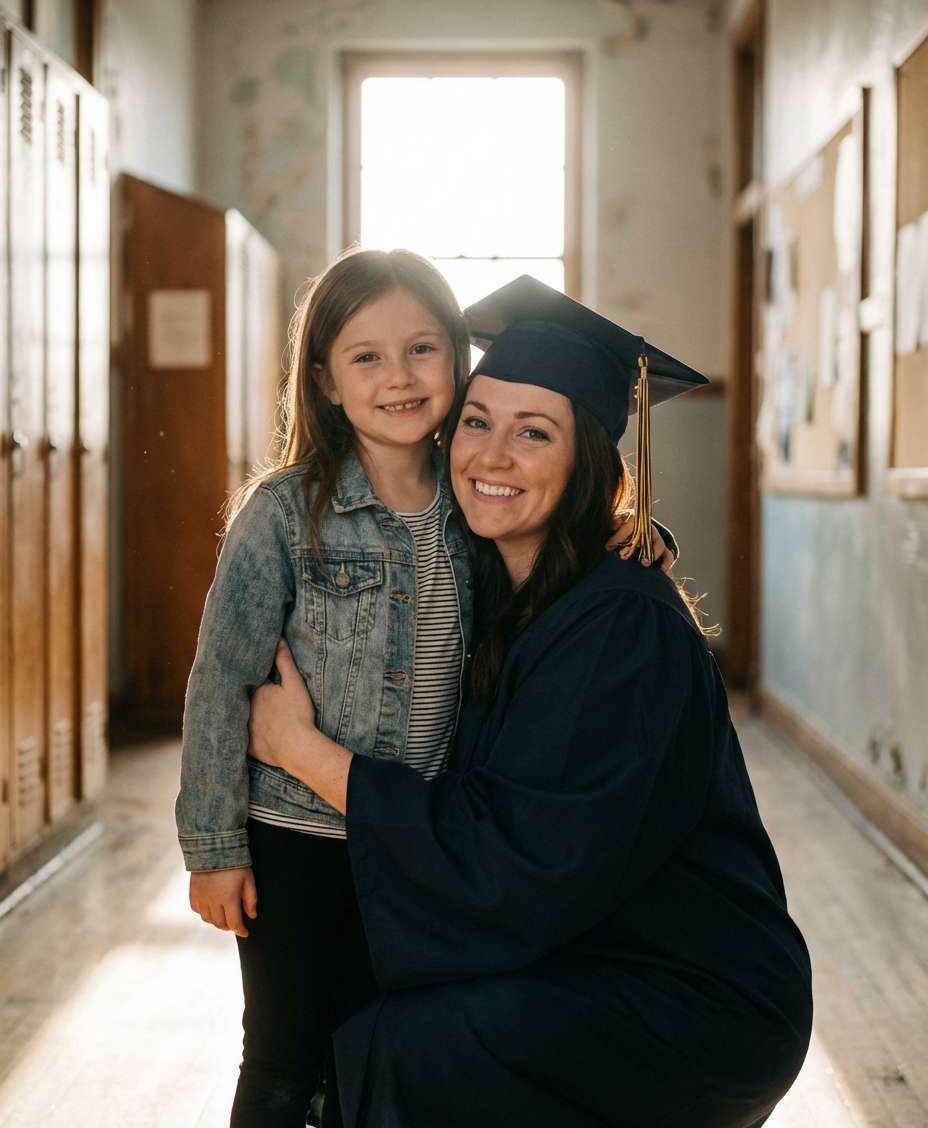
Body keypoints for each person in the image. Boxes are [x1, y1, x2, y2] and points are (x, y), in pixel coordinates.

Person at [246, 276, 814, 1128]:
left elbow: (518, 860)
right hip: (581, 948)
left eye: (535, 433)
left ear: (588, 463)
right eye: (477, 422)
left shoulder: (622, 627)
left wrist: (301, 751)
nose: (493, 457)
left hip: (686, 995)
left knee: (405, 1046)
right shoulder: (481, 579)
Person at [174, 252, 676, 1128]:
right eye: (365, 357)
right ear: (324, 379)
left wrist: (639, 529)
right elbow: (220, 677)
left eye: (421, 349)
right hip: (298, 836)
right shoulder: (285, 514)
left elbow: (554, 529)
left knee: (376, 1044)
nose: (399, 377)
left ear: (457, 357)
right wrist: (213, 846)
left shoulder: (473, 499)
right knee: (286, 1053)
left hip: (415, 842)